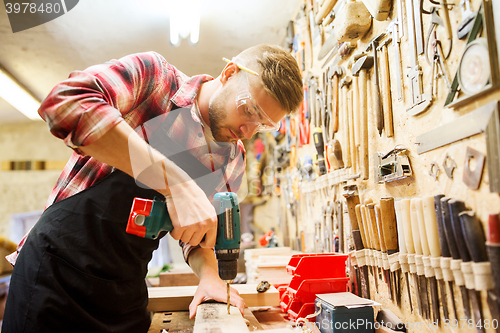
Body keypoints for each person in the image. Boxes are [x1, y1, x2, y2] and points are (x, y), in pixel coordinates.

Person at [2, 44, 303, 333]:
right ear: (228, 73)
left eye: (263, 126)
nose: (247, 131)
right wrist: (175, 182)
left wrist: (211, 276)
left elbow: (198, 236)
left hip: (124, 290)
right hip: (55, 275)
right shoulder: (157, 81)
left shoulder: (232, 160)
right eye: (248, 110)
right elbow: (67, 103)